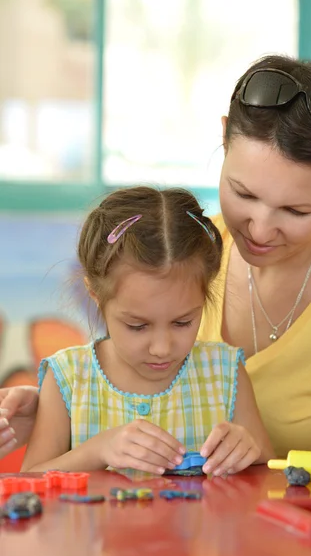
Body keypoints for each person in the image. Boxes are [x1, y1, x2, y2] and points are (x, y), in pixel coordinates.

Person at [2, 54, 311, 462]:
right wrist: (61, 407)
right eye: (243, 194)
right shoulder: (187, 249)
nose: (258, 230)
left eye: (296, 211)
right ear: (225, 139)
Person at [20, 186, 272, 474]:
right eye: (137, 326)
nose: (162, 348)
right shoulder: (69, 377)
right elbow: (30, 481)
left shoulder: (226, 373)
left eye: (182, 322)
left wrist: (247, 450)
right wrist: (99, 450)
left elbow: (266, 467)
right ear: (95, 294)